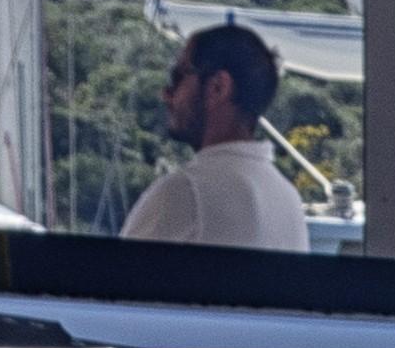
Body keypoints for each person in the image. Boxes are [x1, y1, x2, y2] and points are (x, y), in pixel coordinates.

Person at [121, 22, 309, 250]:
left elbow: (110, 283)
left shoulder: (185, 191)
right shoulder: (287, 198)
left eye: (178, 76)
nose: (166, 94)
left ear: (218, 87)